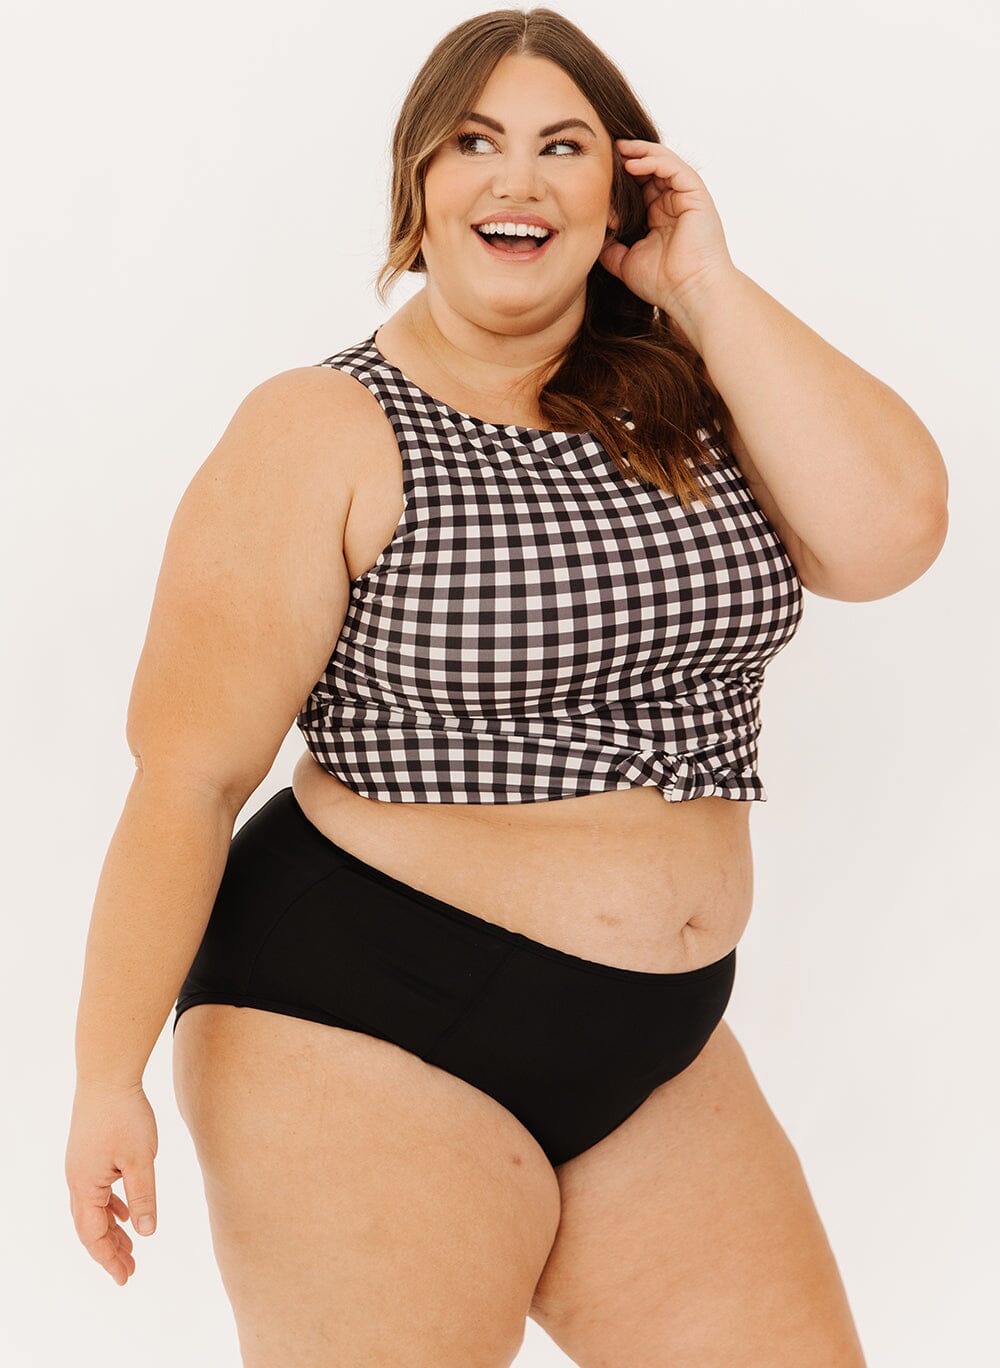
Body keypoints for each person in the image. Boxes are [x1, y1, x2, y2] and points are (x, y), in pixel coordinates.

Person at [65, 7, 948, 1366]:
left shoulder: (683, 398)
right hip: (359, 1019)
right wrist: (103, 1077)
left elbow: (889, 537)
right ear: (419, 185)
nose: (517, 181)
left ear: (621, 192)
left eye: (563, 146)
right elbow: (187, 775)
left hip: (654, 1040)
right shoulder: (324, 429)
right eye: (475, 143)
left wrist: (705, 284)